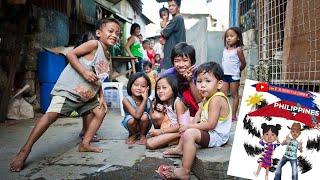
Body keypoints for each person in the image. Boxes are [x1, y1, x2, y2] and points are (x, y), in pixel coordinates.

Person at [9, 18, 120, 172]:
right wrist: (84, 71)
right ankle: (24, 150)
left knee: (101, 111)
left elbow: (100, 79)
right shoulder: (94, 44)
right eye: (111, 31)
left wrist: (101, 97)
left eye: (117, 33)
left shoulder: (108, 57)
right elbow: (70, 55)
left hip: (87, 95)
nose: (115, 35)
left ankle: (85, 144)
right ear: (99, 33)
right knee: (50, 117)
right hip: (70, 90)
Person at [157, 61, 232, 179]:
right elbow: (198, 113)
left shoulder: (217, 99)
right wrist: (190, 123)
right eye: (199, 81)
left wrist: (190, 127)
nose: (202, 85)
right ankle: (180, 149)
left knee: (190, 132)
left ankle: (185, 171)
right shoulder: (207, 97)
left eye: (207, 81)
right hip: (210, 132)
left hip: (217, 136)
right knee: (188, 123)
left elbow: (211, 125)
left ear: (219, 84)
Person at [146, 75, 190, 150]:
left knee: (150, 144)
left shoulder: (178, 102)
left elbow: (181, 126)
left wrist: (161, 131)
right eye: (158, 88)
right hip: (171, 126)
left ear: (173, 89)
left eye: (164, 87)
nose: (160, 91)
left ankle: (180, 137)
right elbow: (153, 116)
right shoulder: (166, 102)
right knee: (156, 115)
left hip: (181, 130)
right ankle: (168, 138)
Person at [160, 42, 202, 117]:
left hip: (194, 111)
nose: (181, 65)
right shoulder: (168, 74)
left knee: (187, 94)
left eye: (185, 60)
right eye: (177, 61)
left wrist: (190, 81)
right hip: (172, 109)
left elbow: (199, 100)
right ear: (173, 62)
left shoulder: (198, 74)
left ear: (192, 62)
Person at [75, 31, 100, 143]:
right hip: (82, 86)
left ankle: (87, 131)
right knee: (88, 110)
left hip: (92, 86)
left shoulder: (96, 54)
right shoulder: (80, 55)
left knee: (91, 110)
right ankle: (86, 131)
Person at [220, 27, 246, 121]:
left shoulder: (238, 50)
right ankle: (224, 114)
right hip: (225, 75)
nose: (229, 38)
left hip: (234, 76)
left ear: (238, 38)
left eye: (231, 36)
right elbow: (223, 62)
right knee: (223, 95)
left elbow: (243, 63)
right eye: (227, 36)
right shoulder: (225, 50)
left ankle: (233, 115)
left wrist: (237, 71)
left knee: (235, 95)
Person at [122, 72, 152, 145]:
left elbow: (153, 116)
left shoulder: (149, 101)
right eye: (136, 85)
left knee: (145, 116)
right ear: (130, 85)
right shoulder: (126, 100)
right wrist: (144, 99)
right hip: (131, 125)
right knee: (131, 119)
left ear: (147, 88)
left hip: (144, 127)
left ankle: (142, 135)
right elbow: (137, 115)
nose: (139, 88)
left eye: (143, 86)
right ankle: (133, 134)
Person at [161, 0, 186, 69]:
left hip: (173, 53)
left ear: (178, 7)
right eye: (169, 6)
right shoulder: (178, 18)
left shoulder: (177, 18)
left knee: (169, 76)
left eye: (173, 5)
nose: (171, 8)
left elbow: (165, 32)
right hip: (175, 53)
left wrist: (163, 25)